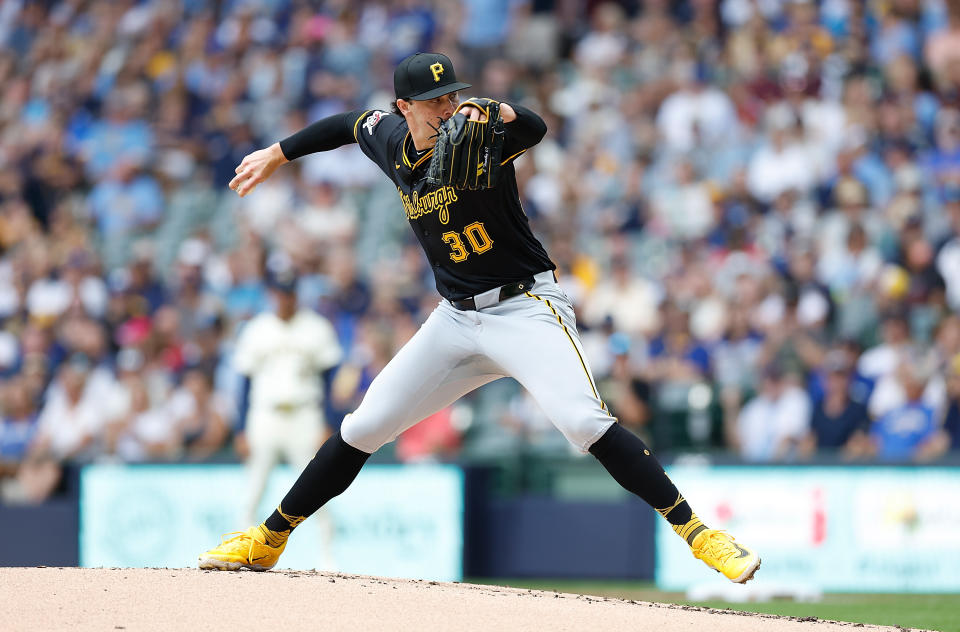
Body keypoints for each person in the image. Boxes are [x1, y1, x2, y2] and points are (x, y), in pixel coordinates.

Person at [198, 52, 760, 584]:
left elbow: (535, 129)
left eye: (452, 97)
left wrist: (498, 111)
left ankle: (698, 534)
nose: (447, 108)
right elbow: (349, 123)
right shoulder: (391, 139)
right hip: (456, 318)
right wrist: (280, 151)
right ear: (405, 108)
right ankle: (268, 540)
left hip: (524, 307)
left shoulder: (481, 135)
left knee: (584, 423)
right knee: (363, 427)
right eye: (435, 100)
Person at [231, 266, 342, 553]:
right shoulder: (257, 328)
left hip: (305, 415)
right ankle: (242, 553)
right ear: (271, 294)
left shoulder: (316, 327)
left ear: (296, 294)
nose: (284, 298)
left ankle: (327, 557)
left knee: (317, 489)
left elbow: (330, 381)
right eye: (279, 293)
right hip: (265, 416)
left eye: (288, 293)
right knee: (253, 491)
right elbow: (243, 383)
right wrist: (241, 428)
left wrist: (329, 422)